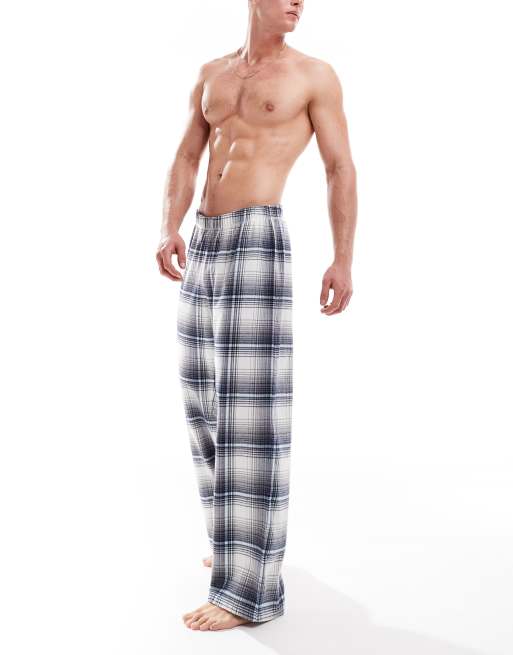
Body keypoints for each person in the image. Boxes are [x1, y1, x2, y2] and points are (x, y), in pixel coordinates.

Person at [155, 0, 357, 632]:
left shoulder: (313, 75)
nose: (299, 2)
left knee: (252, 413)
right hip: (205, 239)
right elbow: (187, 157)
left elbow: (339, 167)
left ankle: (249, 591)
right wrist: (169, 226)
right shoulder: (213, 73)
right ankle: (233, 542)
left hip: (257, 234)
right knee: (202, 397)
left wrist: (342, 259)